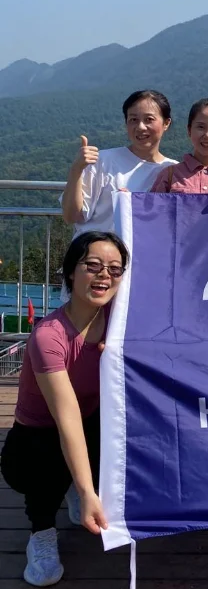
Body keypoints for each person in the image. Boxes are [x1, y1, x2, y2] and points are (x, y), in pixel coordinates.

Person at [0, 231, 129, 586]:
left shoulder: (120, 320)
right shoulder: (49, 336)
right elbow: (67, 419)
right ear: (71, 271)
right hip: (37, 438)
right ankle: (41, 532)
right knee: (47, 461)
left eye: (115, 269)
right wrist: (89, 493)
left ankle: (75, 481)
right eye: (93, 265)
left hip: (93, 419)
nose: (104, 276)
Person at [61, 90, 177, 237]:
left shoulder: (174, 171)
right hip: (93, 250)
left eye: (149, 119)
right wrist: (76, 169)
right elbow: (71, 216)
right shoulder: (102, 161)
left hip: (143, 251)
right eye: (133, 119)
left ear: (166, 123)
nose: (140, 127)